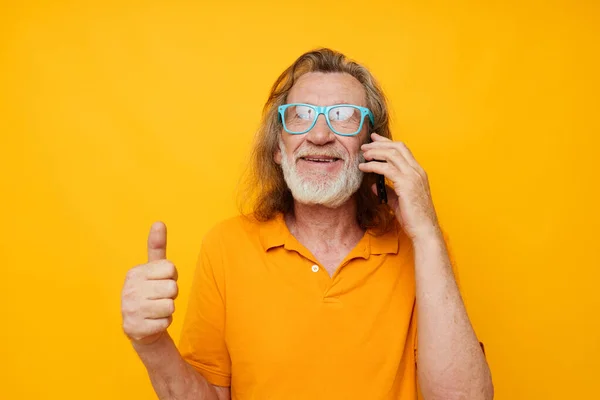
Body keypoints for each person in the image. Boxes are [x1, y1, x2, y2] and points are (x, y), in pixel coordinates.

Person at [121, 48, 494, 400]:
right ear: (277, 149)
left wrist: (427, 234)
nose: (320, 135)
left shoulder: (422, 248)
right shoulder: (226, 246)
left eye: (344, 117)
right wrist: (153, 346)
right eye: (301, 115)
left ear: (372, 146)